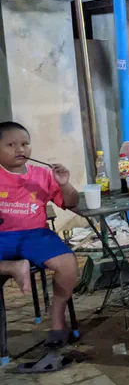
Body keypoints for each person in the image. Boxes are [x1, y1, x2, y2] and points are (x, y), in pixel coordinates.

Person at [0, 121, 80, 355]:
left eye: (25, 144)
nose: (20, 149)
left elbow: (72, 202)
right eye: (11, 145)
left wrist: (65, 184)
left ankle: (57, 324)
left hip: (36, 235)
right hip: (2, 235)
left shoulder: (43, 175)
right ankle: (13, 266)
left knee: (67, 264)